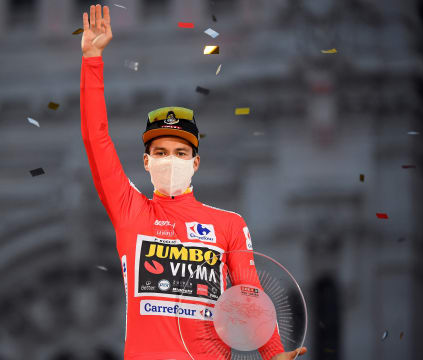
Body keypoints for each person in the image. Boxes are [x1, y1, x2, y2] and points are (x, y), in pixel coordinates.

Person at [80, 4, 308, 360]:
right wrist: (92, 59)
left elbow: (249, 293)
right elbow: (97, 140)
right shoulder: (131, 212)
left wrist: (273, 354)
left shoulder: (229, 225)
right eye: (160, 152)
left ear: (195, 162)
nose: (170, 160)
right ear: (146, 161)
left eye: (180, 153)